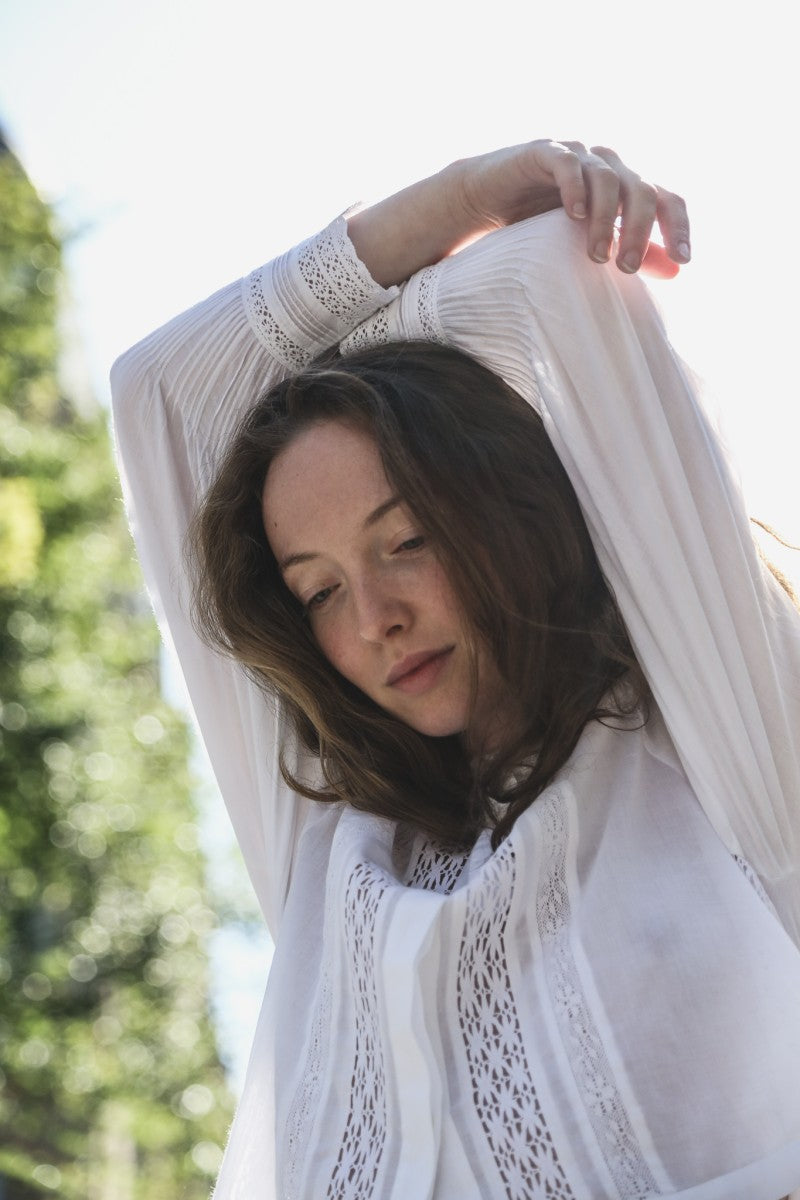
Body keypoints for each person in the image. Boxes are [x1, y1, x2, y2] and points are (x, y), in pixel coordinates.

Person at [111, 141, 800, 1200]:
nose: (376, 619)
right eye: (321, 590)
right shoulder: (329, 843)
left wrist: (478, 203)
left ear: (501, 513)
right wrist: (454, 202)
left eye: (406, 540)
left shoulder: (711, 745)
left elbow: (548, 276)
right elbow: (161, 395)